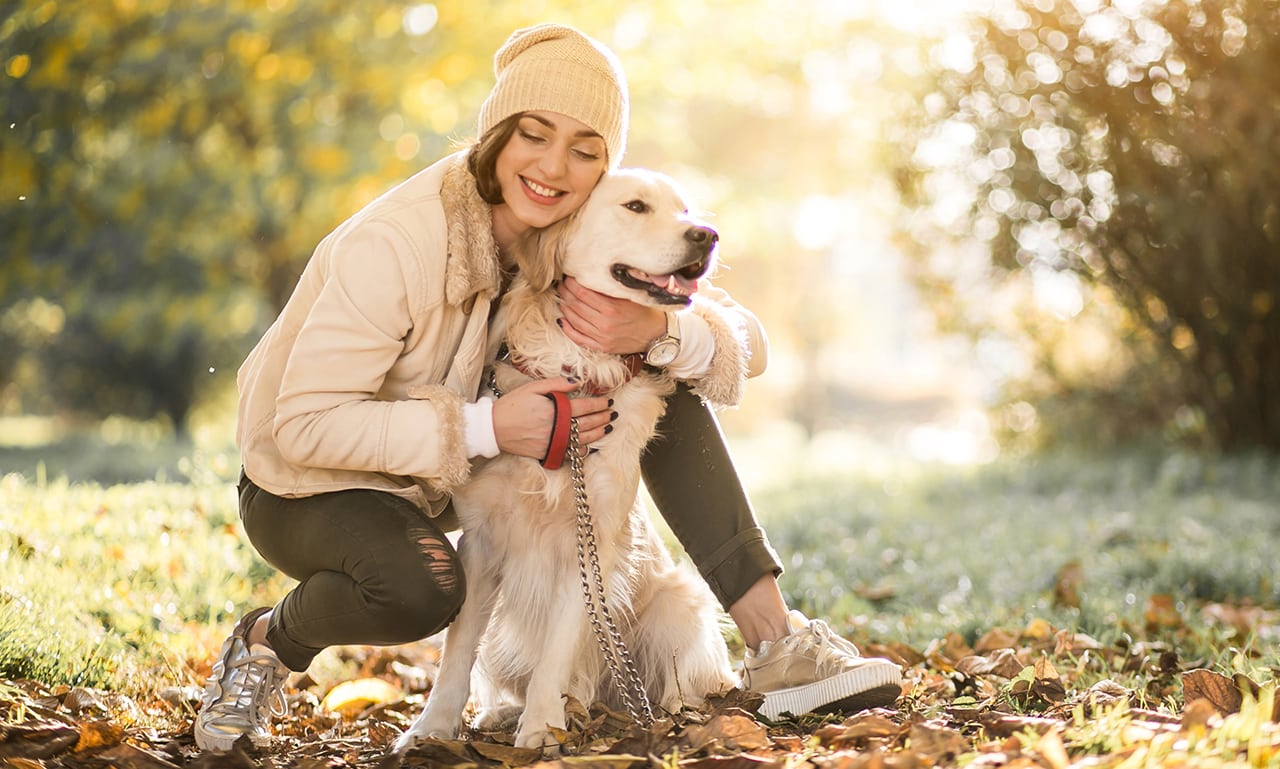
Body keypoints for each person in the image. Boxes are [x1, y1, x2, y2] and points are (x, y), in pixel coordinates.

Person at [193, 22, 901, 753]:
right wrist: (491, 429)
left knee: (662, 378)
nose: (555, 165)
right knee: (423, 587)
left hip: (430, 481)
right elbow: (301, 426)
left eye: (586, 149)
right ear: (496, 134)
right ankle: (269, 639)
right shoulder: (397, 243)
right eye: (534, 133)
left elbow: (744, 341)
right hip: (305, 484)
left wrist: (653, 336)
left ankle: (775, 641)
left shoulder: (571, 232)